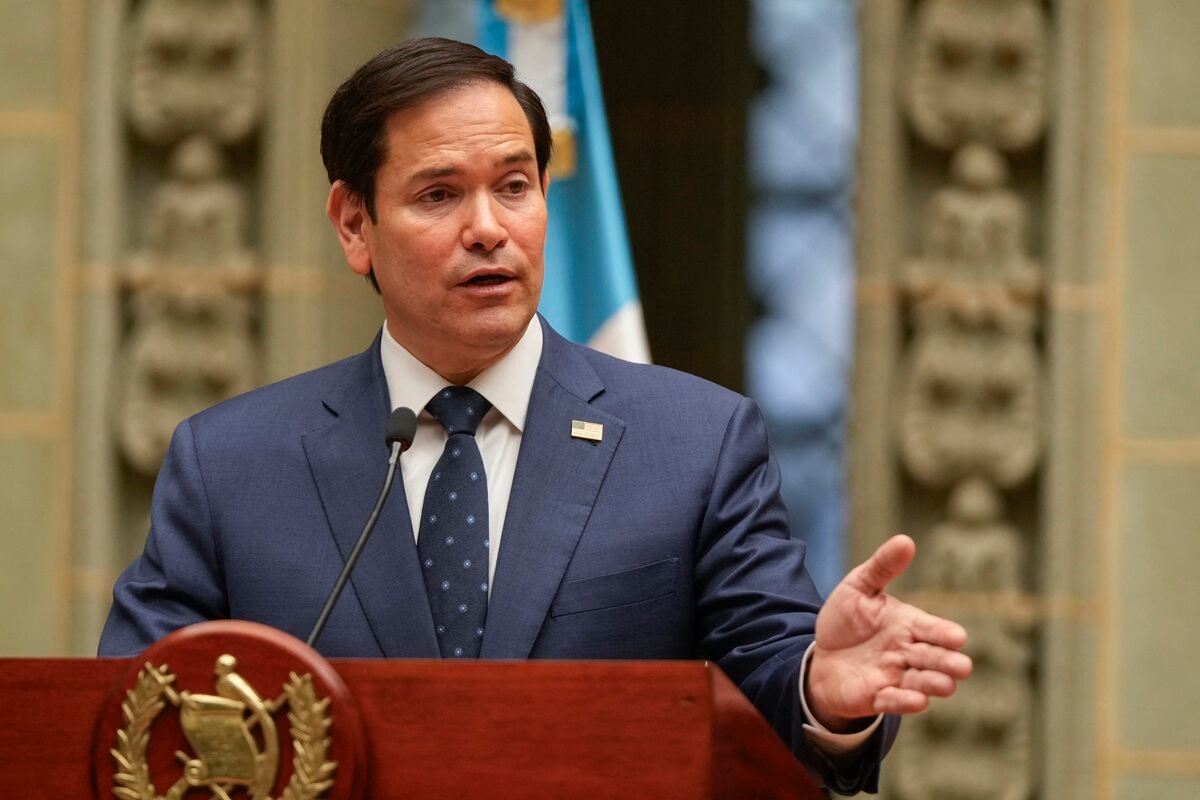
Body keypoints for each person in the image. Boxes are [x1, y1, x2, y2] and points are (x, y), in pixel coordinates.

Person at [100, 38, 971, 794]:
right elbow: (132, 724)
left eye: (515, 185)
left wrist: (824, 687)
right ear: (354, 223)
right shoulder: (232, 466)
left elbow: (773, 694)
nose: (489, 228)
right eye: (439, 196)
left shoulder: (694, 445)